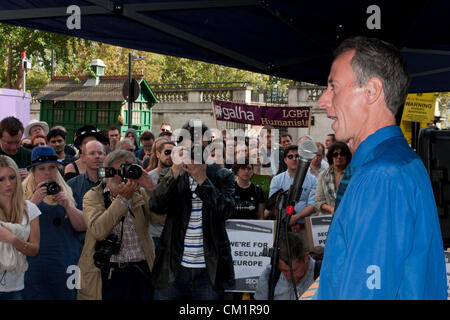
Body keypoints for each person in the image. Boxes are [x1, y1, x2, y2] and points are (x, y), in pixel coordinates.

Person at [316, 36, 447, 299]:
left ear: (372, 91)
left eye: (333, 87)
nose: (322, 101)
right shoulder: (401, 161)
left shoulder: (379, 177)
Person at [150, 120, 235, 300]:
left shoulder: (223, 176)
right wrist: (173, 173)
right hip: (173, 267)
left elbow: (225, 211)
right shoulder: (171, 175)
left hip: (210, 269)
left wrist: (203, 181)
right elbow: (156, 206)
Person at [77, 150, 162, 300]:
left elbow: (160, 217)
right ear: (109, 171)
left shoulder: (139, 193)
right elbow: (98, 230)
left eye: (130, 167)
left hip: (141, 268)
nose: (125, 173)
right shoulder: (93, 196)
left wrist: (151, 188)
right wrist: (122, 199)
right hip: (111, 271)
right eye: (122, 168)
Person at [22, 147, 86, 300]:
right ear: (33, 171)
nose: (47, 172)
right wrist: (33, 203)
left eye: (52, 167)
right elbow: (16, 228)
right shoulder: (21, 194)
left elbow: (82, 226)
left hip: (66, 261)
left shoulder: (69, 192)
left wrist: (68, 206)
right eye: (41, 168)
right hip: (33, 264)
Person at [0, 155, 40, 300]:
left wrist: (13, 239)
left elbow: (34, 250)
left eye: (12, 177)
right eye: (1, 179)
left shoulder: (30, 209)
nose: (8, 184)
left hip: (15, 287)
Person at [254, 232, 319, 300]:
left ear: (306, 258)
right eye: (284, 270)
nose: (288, 276)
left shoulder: (322, 275)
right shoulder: (269, 276)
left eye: (293, 270)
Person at [268, 145, 317, 233]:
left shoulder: (312, 179)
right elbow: (274, 206)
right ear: (285, 160)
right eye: (290, 156)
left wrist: (295, 218)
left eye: (297, 156)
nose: (294, 159)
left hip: (306, 226)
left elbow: (312, 206)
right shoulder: (277, 180)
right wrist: (288, 220)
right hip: (284, 226)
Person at [147, 140, 174, 249]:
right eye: (167, 152)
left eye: (174, 154)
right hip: (154, 235)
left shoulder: (181, 178)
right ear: (158, 154)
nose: (170, 156)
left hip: (172, 235)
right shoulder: (148, 178)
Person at [67, 140, 106, 211]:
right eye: (92, 153)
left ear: (105, 156)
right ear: (82, 157)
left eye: (100, 153)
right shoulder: (72, 185)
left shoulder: (113, 182)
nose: (97, 156)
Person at [315, 142, 352, 215]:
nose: (339, 157)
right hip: (328, 218)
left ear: (347, 156)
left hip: (348, 216)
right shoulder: (323, 175)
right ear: (331, 157)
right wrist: (331, 209)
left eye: (342, 154)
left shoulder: (353, 175)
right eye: (335, 154)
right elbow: (319, 201)